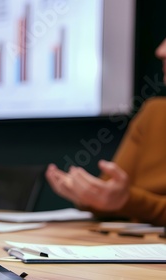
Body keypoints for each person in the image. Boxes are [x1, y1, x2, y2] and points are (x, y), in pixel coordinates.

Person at [45, 39, 166, 226]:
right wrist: (90, 195)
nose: (160, 51)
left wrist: (127, 201)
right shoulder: (155, 113)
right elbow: (112, 192)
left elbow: (125, 200)